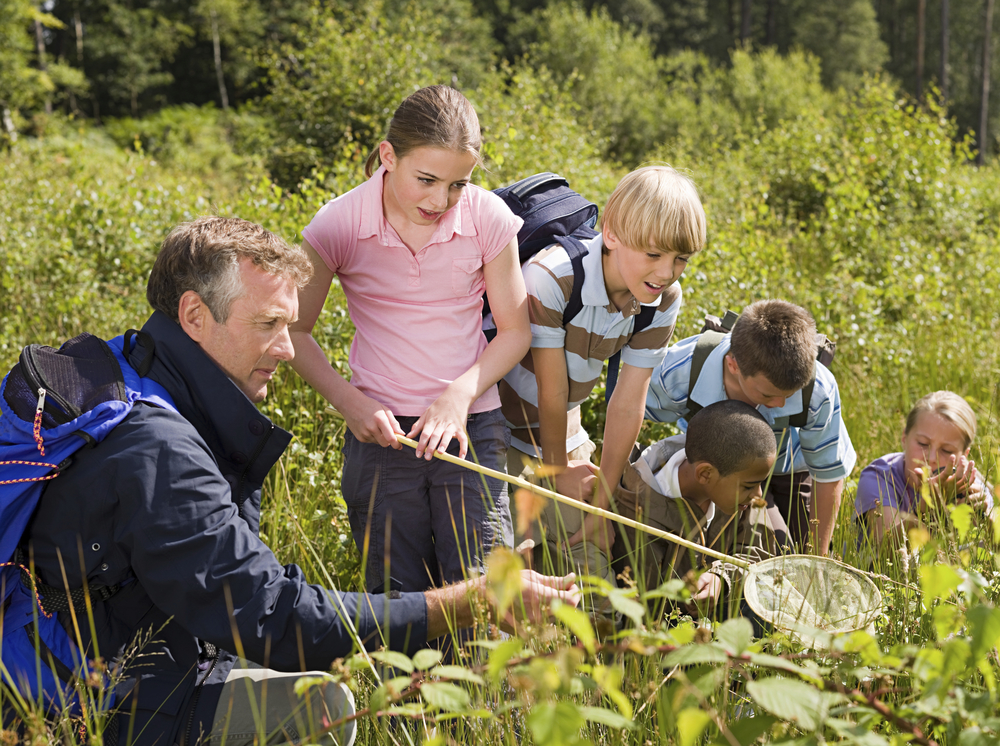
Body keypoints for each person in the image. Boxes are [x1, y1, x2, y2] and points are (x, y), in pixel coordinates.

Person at [8, 217, 577, 746]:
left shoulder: (132, 365)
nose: (286, 347)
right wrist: (464, 602)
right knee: (324, 702)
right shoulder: (158, 452)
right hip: (86, 700)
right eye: (269, 324)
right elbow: (273, 616)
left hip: (106, 650)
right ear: (194, 315)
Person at [290, 86, 530, 597]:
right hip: (381, 436)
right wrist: (349, 402)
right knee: (398, 597)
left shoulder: (487, 218)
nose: (439, 201)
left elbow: (515, 332)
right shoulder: (339, 223)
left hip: (472, 427)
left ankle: (478, 681)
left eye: (457, 185)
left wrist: (458, 395)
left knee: (483, 590)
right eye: (426, 180)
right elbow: (294, 330)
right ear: (387, 155)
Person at [500, 165, 706, 589]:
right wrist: (558, 478)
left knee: (591, 565)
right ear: (611, 234)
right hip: (496, 427)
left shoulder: (661, 297)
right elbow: (550, 390)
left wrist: (603, 506)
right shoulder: (553, 277)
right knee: (512, 561)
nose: (667, 272)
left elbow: (629, 402)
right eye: (654, 255)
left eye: (681, 259)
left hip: (562, 426)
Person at [645, 299, 856, 555]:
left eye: (790, 395)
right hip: (728, 471)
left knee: (804, 558)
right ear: (733, 365)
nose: (780, 404)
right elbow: (631, 413)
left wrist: (818, 560)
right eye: (768, 395)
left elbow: (828, 473)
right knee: (775, 554)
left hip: (792, 470)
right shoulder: (680, 371)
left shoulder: (818, 388)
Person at [611, 400, 778, 621]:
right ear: (705, 474)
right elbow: (642, 608)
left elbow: (760, 554)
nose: (758, 495)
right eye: (749, 486)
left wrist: (722, 579)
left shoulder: (737, 485)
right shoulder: (640, 515)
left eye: (760, 484)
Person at [855, 391, 992, 545]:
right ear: (904, 438)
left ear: (964, 456)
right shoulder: (879, 477)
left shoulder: (969, 484)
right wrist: (928, 508)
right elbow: (886, 549)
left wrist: (986, 521)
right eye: (922, 443)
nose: (931, 458)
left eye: (946, 450)